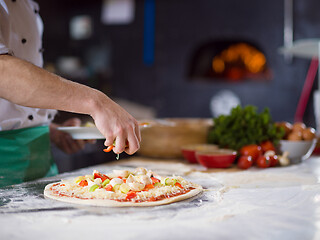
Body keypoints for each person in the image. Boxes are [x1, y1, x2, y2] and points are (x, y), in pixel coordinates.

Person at [0, 0, 141, 187]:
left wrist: (50, 131)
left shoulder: (27, 4)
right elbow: (4, 72)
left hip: (40, 166)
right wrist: (97, 103)